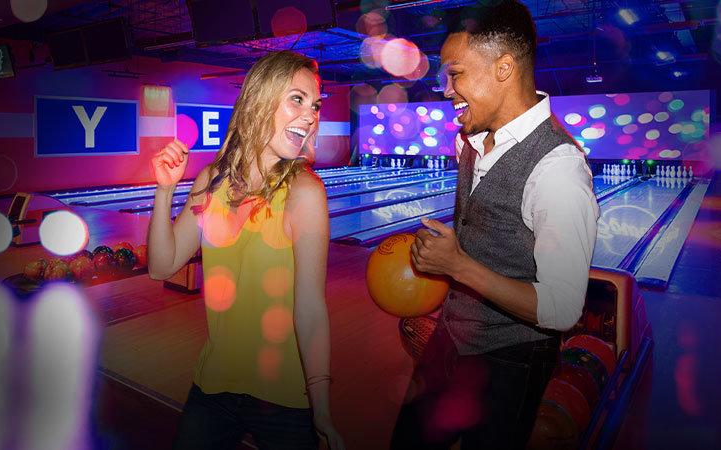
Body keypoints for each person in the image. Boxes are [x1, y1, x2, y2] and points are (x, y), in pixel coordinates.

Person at [390, 1, 600, 449]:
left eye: (456, 73)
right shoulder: (471, 139)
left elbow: (563, 310)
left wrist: (458, 265)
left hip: (513, 360)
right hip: (451, 338)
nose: (446, 89)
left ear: (504, 68)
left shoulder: (558, 171)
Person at [147, 50, 344, 450]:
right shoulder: (211, 181)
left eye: (315, 105)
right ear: (260, 99)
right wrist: (164, 190)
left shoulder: (304, 193)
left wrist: (320, 405)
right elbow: (160, 265)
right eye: (297, 99)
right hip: (214, 383)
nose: (311, 115)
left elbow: (309, 307)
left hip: (286, 397)